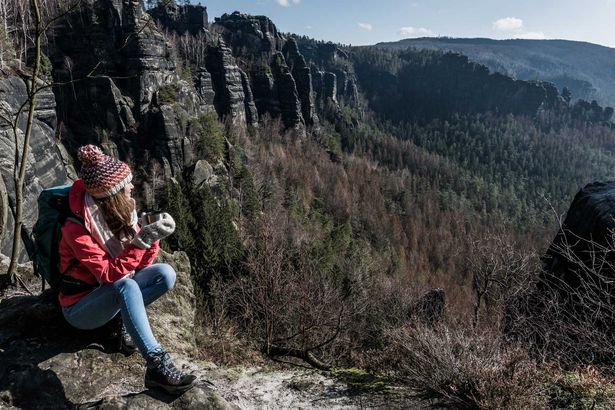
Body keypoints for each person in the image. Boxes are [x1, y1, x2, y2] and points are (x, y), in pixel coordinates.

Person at [58, 144, 196, 395]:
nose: (132, 187)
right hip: (80, 309)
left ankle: (124, 321)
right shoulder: (76, 228)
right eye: (126, 185)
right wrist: (139, 242)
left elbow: (140, 266)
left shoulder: (120, 212)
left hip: (109, 294)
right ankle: (157, 366)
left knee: (165, 274)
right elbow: (110, 275)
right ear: (112, 193)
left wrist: (150, 236)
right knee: (126, 285)